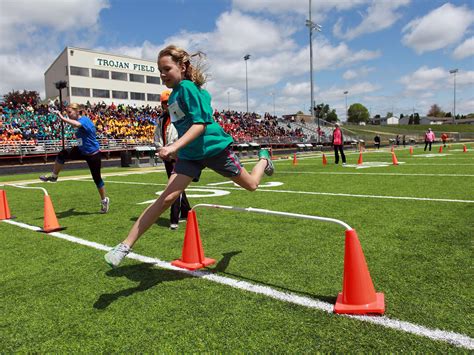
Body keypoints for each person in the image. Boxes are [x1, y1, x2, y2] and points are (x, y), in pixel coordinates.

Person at [105, 45, 274, 267]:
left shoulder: (186, 87)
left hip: (213, 149)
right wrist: (177, 149)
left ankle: (263, 158)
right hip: (190, 155)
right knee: (166, 198)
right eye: (159, 70)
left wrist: (173, 148)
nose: (162, 74)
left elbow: (199, 126)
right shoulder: (175, 94)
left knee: (252, 184)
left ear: (182, 67)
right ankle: (124, 246)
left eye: (166, 69)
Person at [39, 103, 110, 213]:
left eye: (70, 112)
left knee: (97, 179)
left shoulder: (84, 120)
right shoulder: (78, 120)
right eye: (67, 113)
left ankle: (104, 200)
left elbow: (77, 124)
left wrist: (62, 118)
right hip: (81, 150)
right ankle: (54, 176)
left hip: (93, 154)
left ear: (77, 112)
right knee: (62, 154)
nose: (68, 115)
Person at [154, 89, 191, 230]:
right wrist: (160, 149)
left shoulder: (178, 116)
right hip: (166, 155)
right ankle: (187, 212)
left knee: (173, 186)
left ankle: (174, 219)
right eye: (164, 102)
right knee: (176, 185)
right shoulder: (161, 119)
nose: (167, 105)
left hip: (177, 155)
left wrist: (172, 149)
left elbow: (182, 135)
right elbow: (157, 136)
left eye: (169, 102)